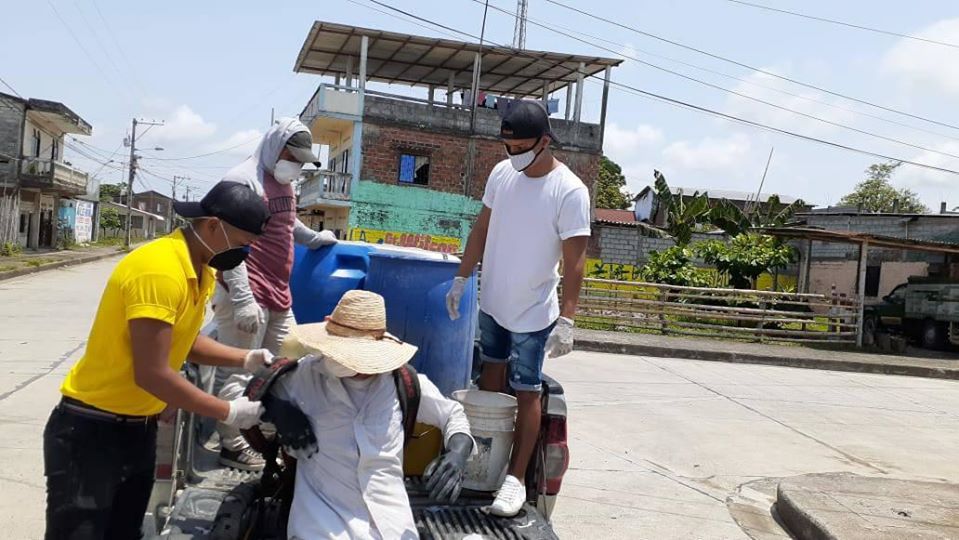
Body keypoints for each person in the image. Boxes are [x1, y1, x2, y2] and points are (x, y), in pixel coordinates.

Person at [44, 181, 274, 539]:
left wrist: (246, 358)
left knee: (125, 531)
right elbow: (151, 373)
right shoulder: (160, 269)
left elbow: (183, 341)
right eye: (243, 242)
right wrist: (227, 411)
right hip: (91, 430)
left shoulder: (201, 269)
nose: (245, 253)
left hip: (138, 428)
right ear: (213, 226)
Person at [446, 100, 590, 517]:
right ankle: (482, 467)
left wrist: (568, 318)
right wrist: (462, 277)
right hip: (493, 301)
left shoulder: (570, 190)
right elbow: (481, 228)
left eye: (521, 147)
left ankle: (514, 479)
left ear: (545, 141)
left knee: (527, 392)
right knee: (489, 384)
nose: (513, 155)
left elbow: (575, 260)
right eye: (507, 147)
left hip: (533, 311)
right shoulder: (501, 174)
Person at [267, 290, 474, 540]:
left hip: (390, 522)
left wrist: (458, 452)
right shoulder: (306, 376)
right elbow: (247, 400)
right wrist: (277, 410)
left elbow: (452, 414)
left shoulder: (403, 383)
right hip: (322, 521)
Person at [213, 117, 338, 471]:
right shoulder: (243, 180)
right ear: (274, 147)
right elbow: (227, 241)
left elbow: (286, 221)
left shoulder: (284, 183)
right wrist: (242, 299)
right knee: (239, 370)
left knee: (287, 362)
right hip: (247, 291)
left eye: (300, 161)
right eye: (291, 157)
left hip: (278, 291)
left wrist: (314, 238)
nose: (295, 166)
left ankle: (263, 427)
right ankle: (232, 444)